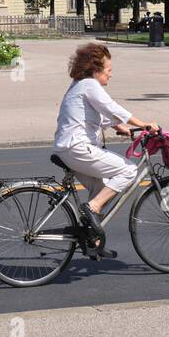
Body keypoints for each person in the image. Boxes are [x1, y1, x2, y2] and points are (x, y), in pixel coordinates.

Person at [53, 43, 158, 254]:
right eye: (108, 70)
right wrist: (143, 124)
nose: (111, 75)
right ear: (96, 70)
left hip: (69, 148)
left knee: (100, 191)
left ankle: (93, 242)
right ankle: (92, 208)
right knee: (128, 170)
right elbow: (111, 108)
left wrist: (124, 129)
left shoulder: (79, 85)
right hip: (78, 147)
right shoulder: (90, 85)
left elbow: (101, 115)